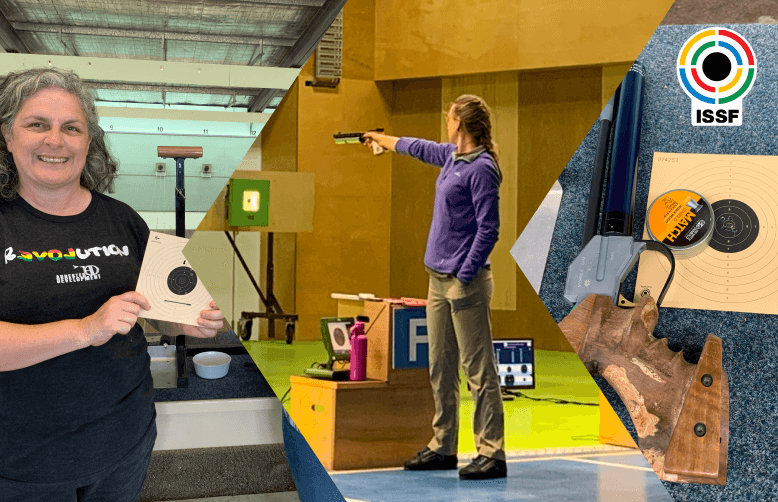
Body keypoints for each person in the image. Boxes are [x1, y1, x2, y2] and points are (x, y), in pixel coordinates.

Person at [0, 67, 225, 501]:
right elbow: (96, 326)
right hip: (19, 464)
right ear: (8, 137)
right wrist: (85, 329)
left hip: (123, 445)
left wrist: (188, 322)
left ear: (89, 141)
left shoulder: (122, 219)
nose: (55, 140)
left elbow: (158, 314)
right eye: (36, 125)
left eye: (72, 128)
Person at [362, 95, 506, 480]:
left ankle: (491, 452)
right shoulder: (450, 157)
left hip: (466, 283)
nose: (445, 123)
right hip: (437, 280)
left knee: (478, 369)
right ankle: (443, 445)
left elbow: (489, 229)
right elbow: (416, 147)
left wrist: (463, 277)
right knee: (440, 367)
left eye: (448, 118)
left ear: (459, 123)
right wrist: (381, 139)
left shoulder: (482, 169)